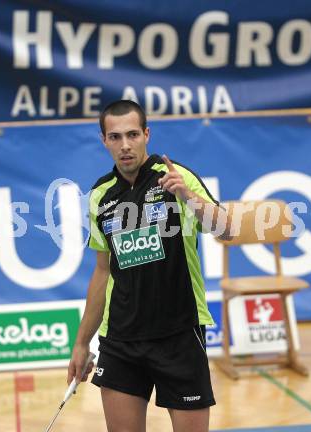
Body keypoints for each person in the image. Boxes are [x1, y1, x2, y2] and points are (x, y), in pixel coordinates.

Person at [67, 100, 232, 432]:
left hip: (180, 332)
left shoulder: (175, 176)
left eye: (132, 134)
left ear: (146, 134)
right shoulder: (101, 195)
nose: (125, 145)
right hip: (121, 338)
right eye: (115, 137)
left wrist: (188, 197)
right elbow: (102, 270)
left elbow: (226, 230)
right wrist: (82, 342)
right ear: (104, 140)